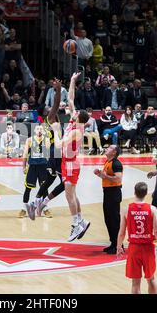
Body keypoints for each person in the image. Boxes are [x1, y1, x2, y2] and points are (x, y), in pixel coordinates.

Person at [51, 72, 91, 241]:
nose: (72, 111)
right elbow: (71, 100)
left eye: (75, 112)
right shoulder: (76, 121)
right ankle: (80, 221)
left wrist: (55, 129)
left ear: (78, 117)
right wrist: (73, 81)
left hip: (70, 164)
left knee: (69, 196)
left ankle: (76, 224)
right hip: (69, 163)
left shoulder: (76, 131)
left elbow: (59, 145)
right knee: (73, 195)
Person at [116, 182, 157, 294]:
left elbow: (121, 232)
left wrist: (119, 247)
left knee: (135, 283)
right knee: (151, 278)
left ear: (134, 192)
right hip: (148, 249)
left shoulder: (126, 209)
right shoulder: (152, 209)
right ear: (146, 193)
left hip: (134, 249)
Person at [26, 79, 65, 219]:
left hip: (54, 152)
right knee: (65, 183)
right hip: (57, 152)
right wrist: (58, 89)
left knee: (50, 179)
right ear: (45, 113)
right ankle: (42, 203)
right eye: (48, 108)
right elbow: (56, 103)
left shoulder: (49, 121)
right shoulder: (50, 118)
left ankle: (35, 203)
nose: (51, 108)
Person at [94, 145, 123, 254]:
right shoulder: (108, 162)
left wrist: (105, 176)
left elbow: (118, 178)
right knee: (108, 219)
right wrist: (100, 174)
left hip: (114, 192)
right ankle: (113, 243)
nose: (107, 148)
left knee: (114, 220)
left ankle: (118, 245)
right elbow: (107, 177)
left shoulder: (116, 163)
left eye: (110, 148)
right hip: (107, 192)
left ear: (114, 152)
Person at [22, 125, 50, 219]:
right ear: (34, 130)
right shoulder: (29, 140)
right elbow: (25, 154)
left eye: (41, 129)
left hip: (43, 166)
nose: (39, 130)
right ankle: (24, 208)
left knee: (44, 188)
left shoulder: (46, 139)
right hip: (32, 167)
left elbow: (49, 154)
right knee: (28, 188)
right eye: (37, 129)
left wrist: (50, 166)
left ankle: (45, 209)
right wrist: (24, 166)